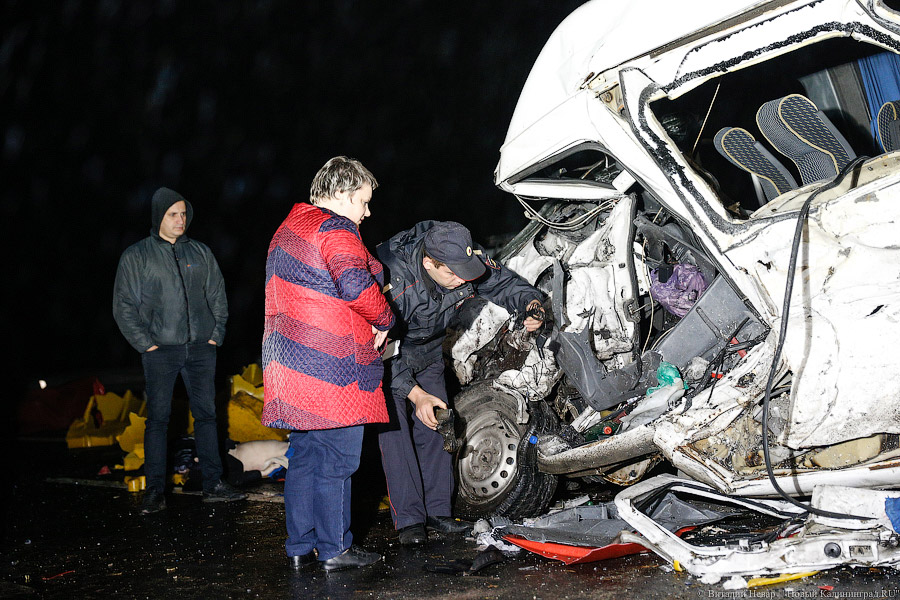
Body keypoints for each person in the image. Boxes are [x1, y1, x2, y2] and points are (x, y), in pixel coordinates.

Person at [261, 156, 395, 572]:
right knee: (338, 462)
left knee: (303, 458)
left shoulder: (289, 228)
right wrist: (387, 319)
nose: (367, 212)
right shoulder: (335, 228)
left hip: (292, 366)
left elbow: (362, 266)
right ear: (342, 194)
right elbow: (356, 285)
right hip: (332, 367)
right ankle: (336, 548)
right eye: (363, 202)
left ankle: (300, 546)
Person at [376, 221, 544, 546]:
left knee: (440, 425)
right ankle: (409, 522)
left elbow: (503, 283)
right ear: (429, 263)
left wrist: (530, 303)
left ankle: (438, 512)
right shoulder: (393, 280)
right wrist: (414, 394)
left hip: (426, 348)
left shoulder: (463, 259)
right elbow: (376, 349)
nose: (463, 280)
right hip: (386, 356)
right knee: (396, 435)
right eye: (454, 274)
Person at [113, 187, 247, 515]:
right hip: (160, 350)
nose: (180, 220)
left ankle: (214, 484)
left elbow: (217, 294)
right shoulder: (137, 256)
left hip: (201, 348)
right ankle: (156, 490)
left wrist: (216, 334)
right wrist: (146, 343)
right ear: (159, 216)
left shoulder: (200, 253)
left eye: (183, 214)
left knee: (206, 415)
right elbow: (123, 306)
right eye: (173, 214)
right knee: (158, 419)